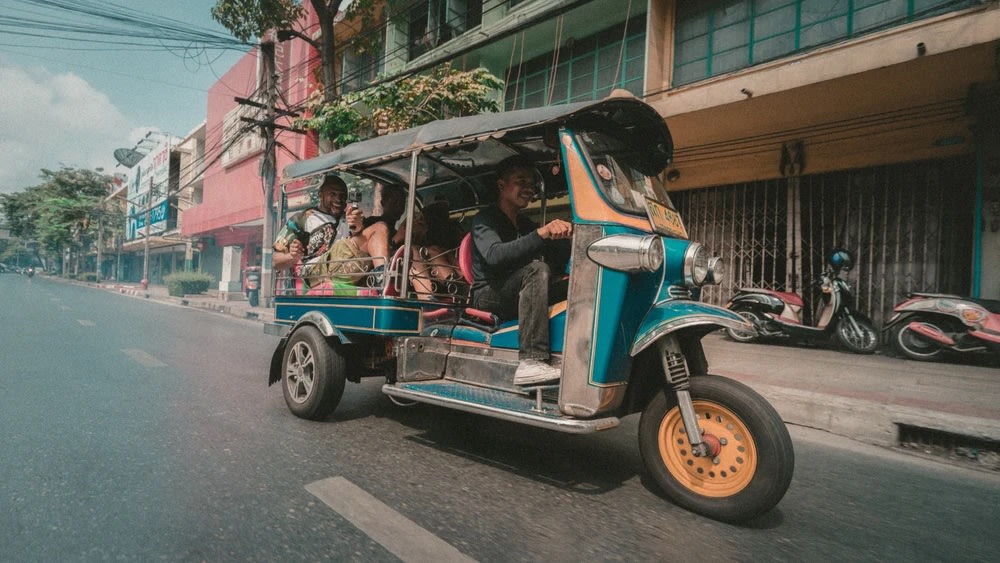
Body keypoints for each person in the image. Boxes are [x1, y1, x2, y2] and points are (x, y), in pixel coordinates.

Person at [471, 155, 572, 385]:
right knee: (536, 270)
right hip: (488, 294)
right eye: (521, 181)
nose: (529, 188)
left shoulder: (525, 224)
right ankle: (531, 361)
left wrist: (567, 236)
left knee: (578, 281)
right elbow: (495, 256)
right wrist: (541, 234)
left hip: (519, 290)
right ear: (501, 185)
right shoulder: (485, 219)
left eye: (532, 183)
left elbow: (554, 255)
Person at [272, 174, 350, 288]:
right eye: (332, 194)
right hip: (316, 284)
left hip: (350, 276)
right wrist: (292, 256)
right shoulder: (301, 219)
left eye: (342, 195)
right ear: (320, 194)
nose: (338, 199)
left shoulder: (352, 218)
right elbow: (275, 261)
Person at [326, 184, 407, 285]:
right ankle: (382, 280)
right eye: (394, 202)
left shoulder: (398, 232)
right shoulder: (372, 225)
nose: (398, 207)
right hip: (365, 277)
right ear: (383, 203)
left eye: (402, 203)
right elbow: (359, 247)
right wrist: (396, 239)